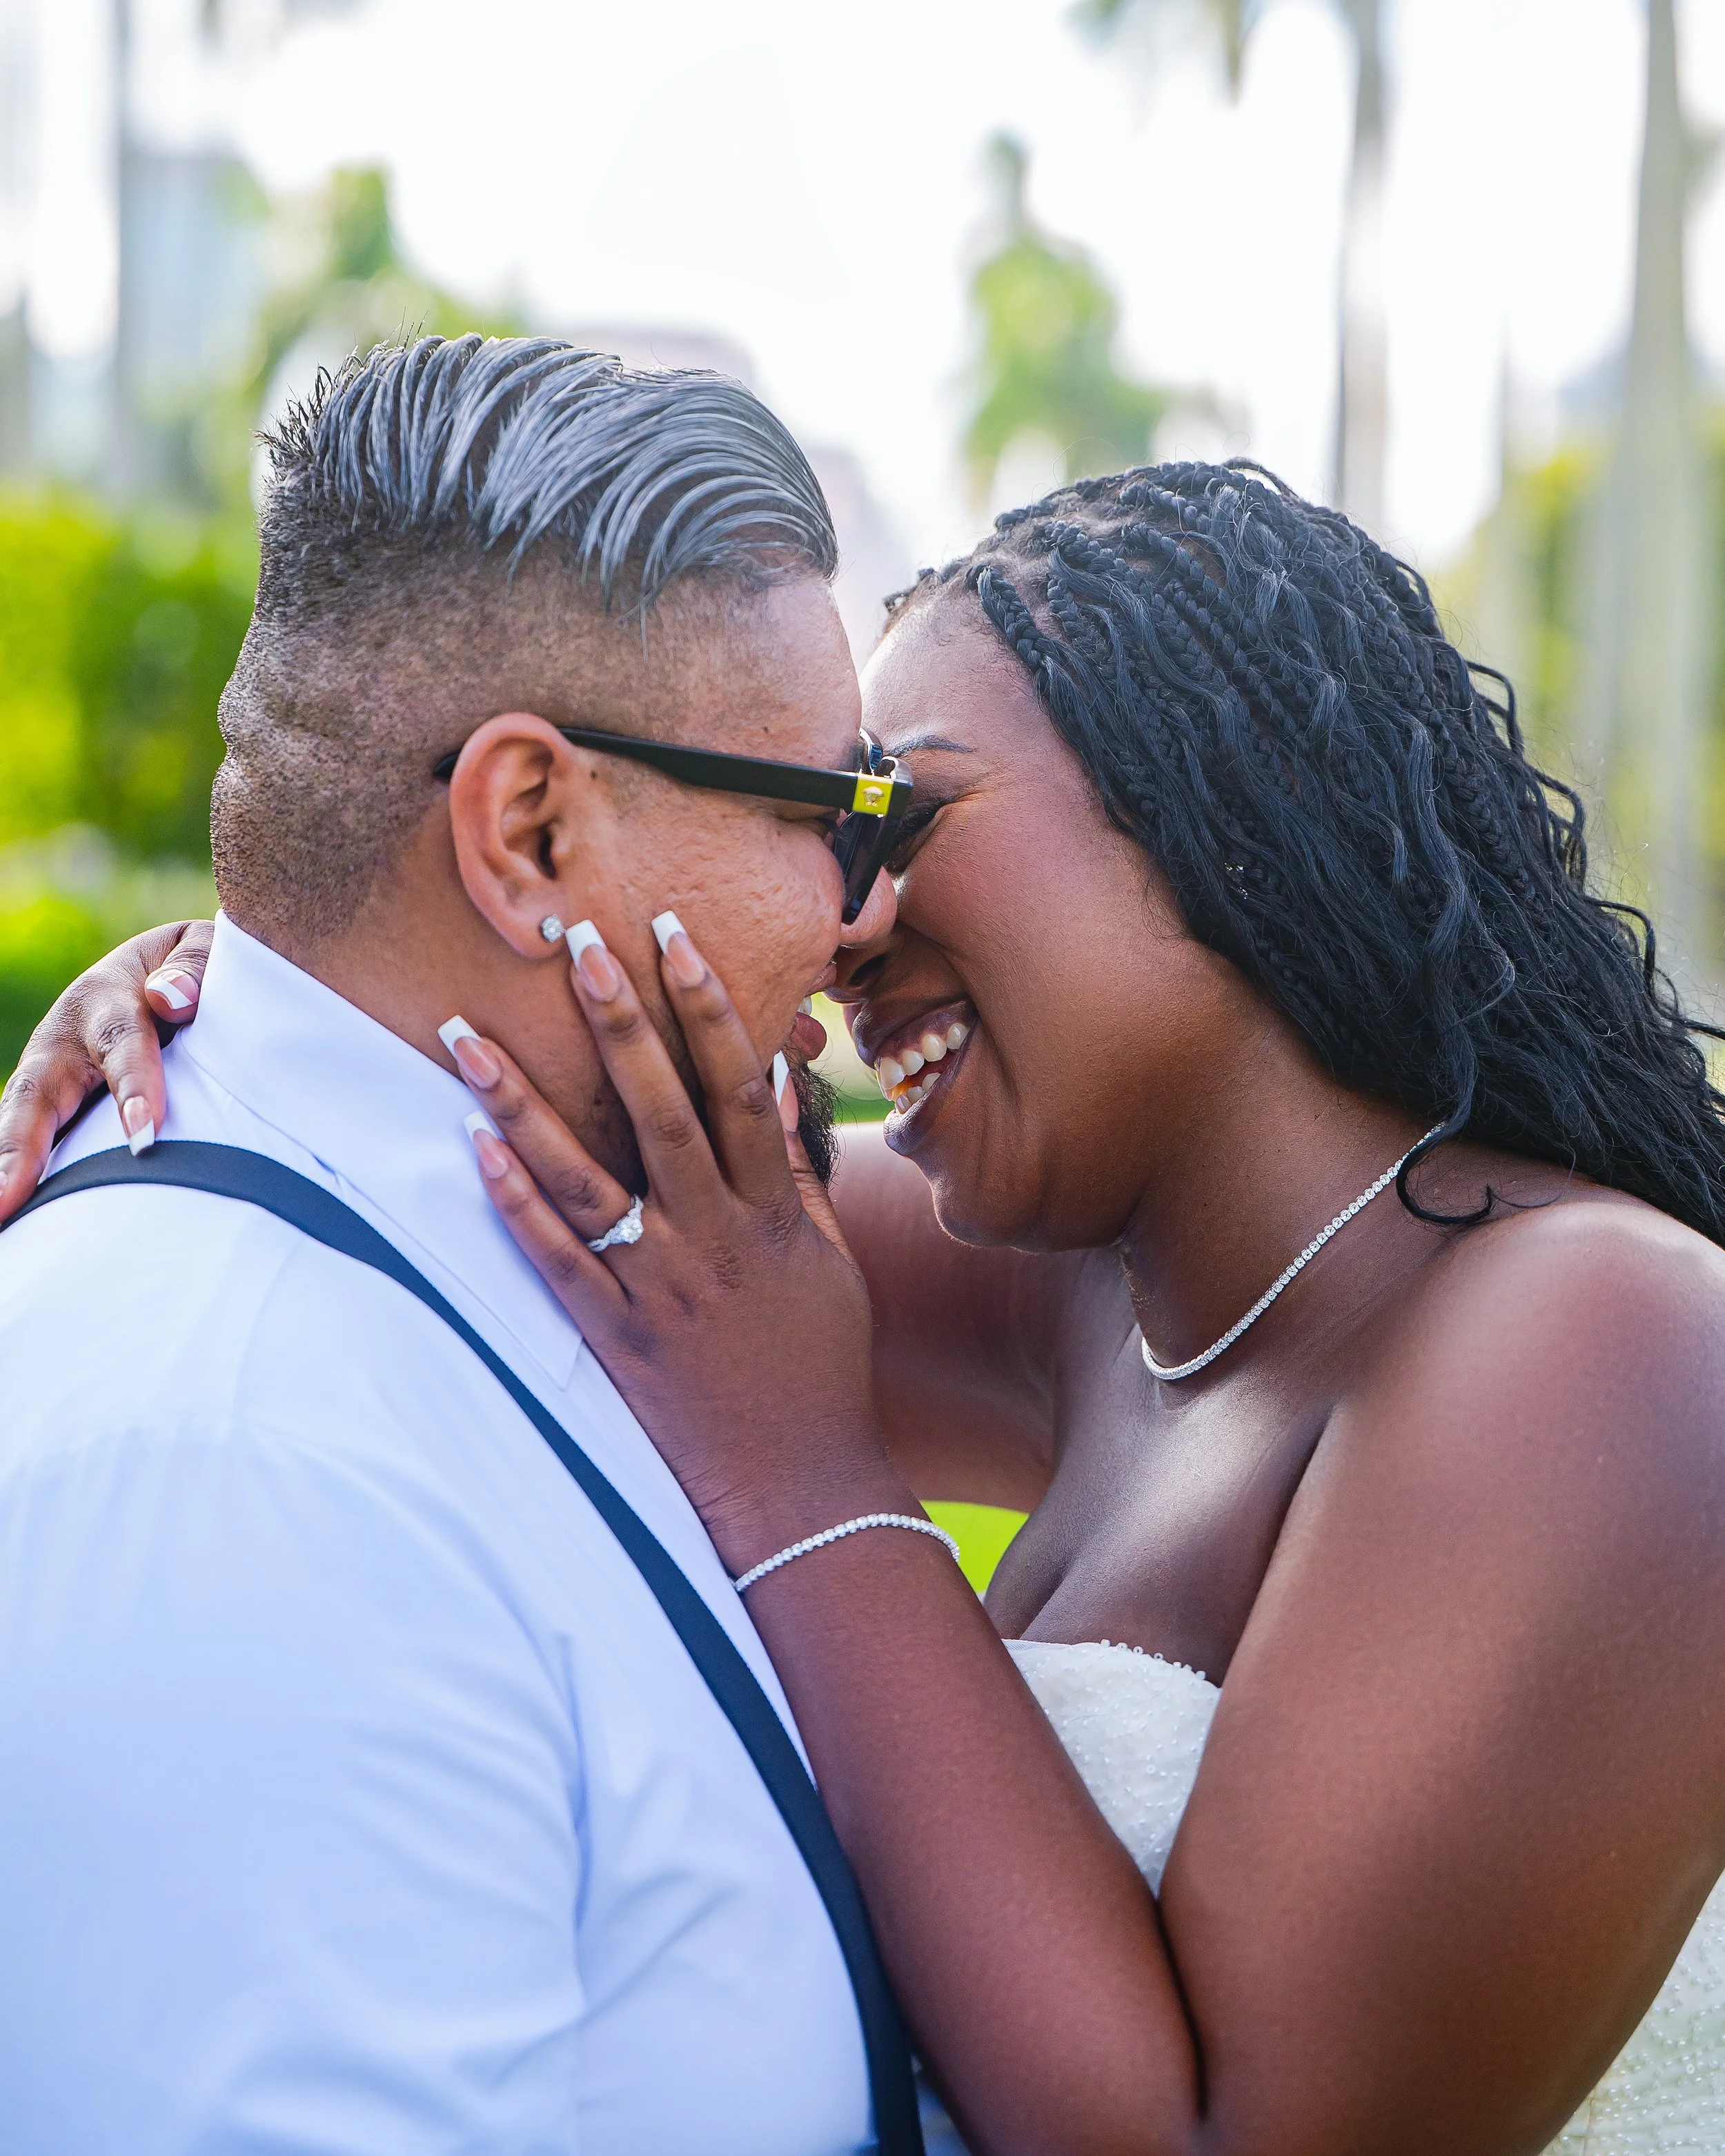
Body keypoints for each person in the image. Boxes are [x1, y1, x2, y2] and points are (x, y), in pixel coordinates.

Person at [12, 463, 1725, 2153]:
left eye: (895, 816)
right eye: (822, 828)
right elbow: (509, 1154)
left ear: (1232, 801)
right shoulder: (1089, 1283)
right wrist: (231, 982)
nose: (845, 920)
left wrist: (812, 1473)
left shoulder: (1608, 1344)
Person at [0, 333, 930, 2155]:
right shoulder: (235, 1460)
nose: (870, 903)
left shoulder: (595, 1254)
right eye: (835, 812)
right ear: (528, 828)